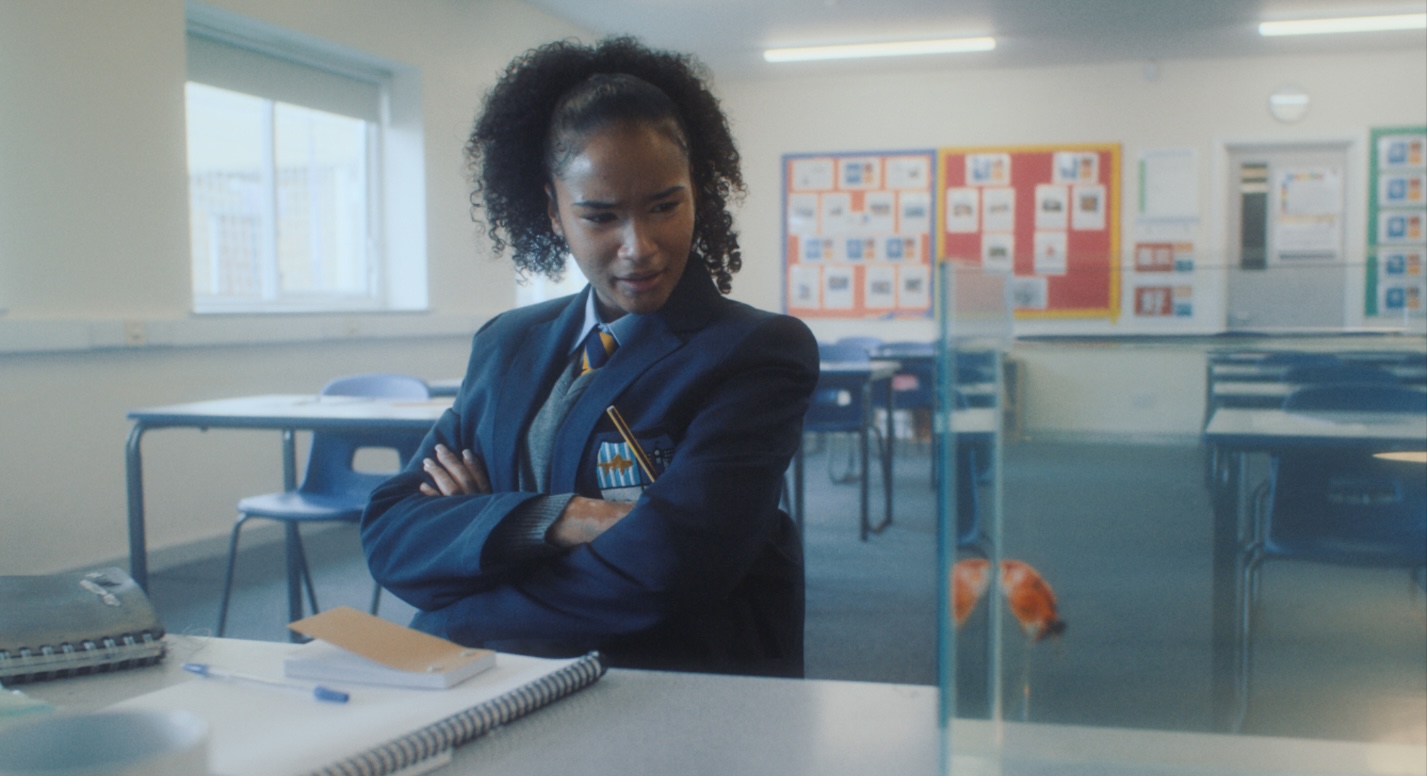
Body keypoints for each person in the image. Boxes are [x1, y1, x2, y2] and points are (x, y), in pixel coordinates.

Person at [361, 37, 819, 678]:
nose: (640, 246)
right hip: (504, 688)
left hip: (674, 686)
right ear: (553, 212)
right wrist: (569, 518)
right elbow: (392, 532)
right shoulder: (507, 343)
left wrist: (463, 578)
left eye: (666, 205)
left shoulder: (756, 352)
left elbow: (670, 566)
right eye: (600, 216)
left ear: (698, 192)